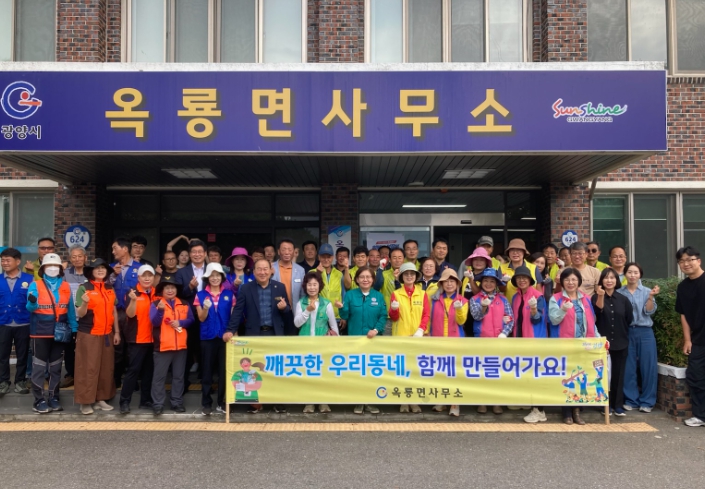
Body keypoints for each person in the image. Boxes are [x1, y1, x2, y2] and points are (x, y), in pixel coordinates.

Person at [224, 259, 291, 414]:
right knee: (254, 369)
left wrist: (284, 308)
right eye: (259, 269)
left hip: (274, 334)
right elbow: (238, 311)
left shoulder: (280, 287)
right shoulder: (246, 288)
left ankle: (277, 401)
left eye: (265, 269)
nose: (262, 272)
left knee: (275, 369)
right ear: (254, 272)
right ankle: (255, 403)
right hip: (254, 334)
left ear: (271, 270)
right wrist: (230, 330)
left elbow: (287, 311)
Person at [26, 253, 78, 414]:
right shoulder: (35, 285)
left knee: (56, 368)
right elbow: (30, 308)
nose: (52, 268)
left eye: (55, 266)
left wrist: (74, 328)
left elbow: (70, 309)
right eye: (49, 266)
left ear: (60, 269)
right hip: (40, 332)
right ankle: (39, 400)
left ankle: (54, 397)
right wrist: (32, 301)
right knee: (39, 368)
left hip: (60, 332)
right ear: (43, 269)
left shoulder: (66, 286)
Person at [548, 268, 600, 426]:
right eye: (567, 280)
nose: (570, 283)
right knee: (567, 378)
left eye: (574, 280)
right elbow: (554, 320)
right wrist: (563, 309)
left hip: (583, 345)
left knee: (581, 377)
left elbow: (591, 322)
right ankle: (566, 412)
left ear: (579, 282)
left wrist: (598, 338)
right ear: (562, 282)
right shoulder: (556, 298)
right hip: (565, 345)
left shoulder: (586, 298)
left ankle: (577, 411)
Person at [74, 258, 120, 415]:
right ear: (91, 272)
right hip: (89, 334)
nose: (100, 270)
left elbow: (113, 311)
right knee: (88, 368)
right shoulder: (84, 288)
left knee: (106, 368)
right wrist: (84, 303)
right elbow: (80, 313)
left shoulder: (109, 288)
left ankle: (101, 398)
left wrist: (117, 332)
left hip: (107, 333)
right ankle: (85, 402)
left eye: (103, 268)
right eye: (96, 268)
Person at [339, 266, 386, 415]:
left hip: (373, 340)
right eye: (362, 277)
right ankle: (358, 401)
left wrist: (376, 330)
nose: (365, 280)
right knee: (357, 371)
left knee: (372, 371)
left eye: (368, 277)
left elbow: (383, 316)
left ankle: (371, 401)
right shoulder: (350, 295)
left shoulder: (378, 296)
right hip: (355, 340)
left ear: (373, 280)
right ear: (357, 280)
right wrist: (341, 308)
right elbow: (345, 316)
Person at [469, 268, 512, 415]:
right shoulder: (475, 299)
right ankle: (482, 401)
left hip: (499, 342)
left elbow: (510, 319)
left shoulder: (503, 299)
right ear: (481, 283)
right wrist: (484, 307)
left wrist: (504, 333)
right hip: (481, 341)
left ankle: (496, 402)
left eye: (492, 281)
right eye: (486, 281)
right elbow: (476, 316)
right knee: (481, 372)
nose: (488, 284)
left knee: (497, 372)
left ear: (496, 283)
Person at [294, 271, 338, 414]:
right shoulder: (301, 303)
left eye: (315, 284)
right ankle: (309, 402)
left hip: (323, 345)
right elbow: (297, 323)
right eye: (309, 285)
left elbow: (333, 326)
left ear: (319, 286)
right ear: (305, 286)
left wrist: (334, 340)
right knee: (307, 373)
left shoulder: (326, 304)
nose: (312, 288)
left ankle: (323, 402)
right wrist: (307, 310)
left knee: (323, 373)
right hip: (305, 344)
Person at [618, 262, 659, 413]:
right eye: (629, 272)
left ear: (640, 274)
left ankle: (647, 401)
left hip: (645, 331)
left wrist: (651, 297)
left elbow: (649, 311)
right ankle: (631, 400)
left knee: (648, 367)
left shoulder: (647, 291)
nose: (632, 275)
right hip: (627, 331)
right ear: (625, 274)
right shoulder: (619, 293)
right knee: (628, 367)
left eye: (635, 272)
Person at [389, 262, 429, 414]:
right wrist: (394, 309)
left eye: (412, 274)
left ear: (416, 276)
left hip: (418, 338)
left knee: (416, 371)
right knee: (403, 371)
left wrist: (420, 330)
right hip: (401, 337)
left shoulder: (423, 294)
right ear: (402, 277)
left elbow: (426, 315)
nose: (409, 276)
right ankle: (403, 401)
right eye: (406, 274)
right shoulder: (396, 294)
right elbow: (393, 317)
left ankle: (414, 401)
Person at [150, 276, 194, 415]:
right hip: (163, 346)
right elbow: (154, 322)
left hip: (180, 346)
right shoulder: (156, 303)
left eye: (172, 287)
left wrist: (181, 323)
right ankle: (158, 404)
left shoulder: (184, 303)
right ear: (162, 291)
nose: (170, 290)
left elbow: (191, 320)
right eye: (167, 288)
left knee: (178, 377)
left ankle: (177, 402)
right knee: (159, 377)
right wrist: (160, 311)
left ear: (176, 290)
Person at [195, 263, 234, 416]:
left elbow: (233, 318)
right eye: (212, 276)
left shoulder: (230, 294)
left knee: (224, 371)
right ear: (207, 278)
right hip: (207, 337)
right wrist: (205, 307)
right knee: (207, 371)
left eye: (218, 275)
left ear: (222, 277)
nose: (215, 278)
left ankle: (222, 402)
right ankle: (206, 403)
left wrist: (233, 333)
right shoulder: (200, 295)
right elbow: (201, 318)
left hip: (225, 337)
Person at [592, 268, 632, 416]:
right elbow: (597, 312)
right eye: (606, 278)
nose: (609, 281)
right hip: (601, 344)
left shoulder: (623, 299)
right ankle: (604, 404)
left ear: (617, 280)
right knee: (602, 375)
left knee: (618, 374)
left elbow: (629, 319)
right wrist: (601, 295)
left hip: (621, 342)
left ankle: (617, 405)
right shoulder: (595, 297)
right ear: (601, 280)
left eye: (612, 278)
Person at [428, 268, 467, 417]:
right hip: (437, 341)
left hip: (456, 342)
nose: (449, 284)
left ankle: (455, 403)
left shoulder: (463, 301)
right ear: (441, 284)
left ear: (457, 284)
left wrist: (459, 310)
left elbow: (461, 321)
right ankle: (442, 400)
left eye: (452, 281)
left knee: (454, 373)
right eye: (446, 281)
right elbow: (429, 318)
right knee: (440, 371)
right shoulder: (434, 300)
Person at [120, 264, 159, 414]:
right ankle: (124, 401)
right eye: (144, 275)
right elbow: (130, 314)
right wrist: (133, 301)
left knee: (149, 372)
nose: (147, 278)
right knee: (133, 371)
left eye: (150, 275)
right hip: (137, 339)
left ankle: (145, 400)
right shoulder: (132, 293)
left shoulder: (157, 293)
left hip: (153, 339)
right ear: (139, 277)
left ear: (154, 277)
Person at [675, 246, 705, 427]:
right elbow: (683, 314)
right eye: (682, 261)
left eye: (689, 259)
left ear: (698, 261)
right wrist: (687, 340)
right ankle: (700, 415)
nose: (686, 264)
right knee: (696, 376)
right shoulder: (683, 287)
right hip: (698, 339)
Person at [0, 248, 33, 396]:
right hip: (3, 322)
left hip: (24, 322)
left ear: (17, 261)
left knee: (23, 354)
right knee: (2, 355)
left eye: (8, 260)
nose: (4, 263)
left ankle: (20, 381)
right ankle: (3, 382)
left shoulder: (29, 279)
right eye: (2, 260)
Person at [110, 236, 141, 388]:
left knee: (132, 347)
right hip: (115, 312)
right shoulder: (110, 268)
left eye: (115, 248)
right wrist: (113, 275)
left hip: (132, 312)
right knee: (117, 347)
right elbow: (103, 286)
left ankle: (131, 380)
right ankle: (116, 379)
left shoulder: (139, 268)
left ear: (125, 249)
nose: (113, 251)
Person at [175, 240, 208, 383]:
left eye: (200, 252)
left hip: (208, 314)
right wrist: (189, 287)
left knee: (206, 347)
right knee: (187, 347)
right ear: (189, 254)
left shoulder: (212, 270)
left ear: (205, 254)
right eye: (194, 252)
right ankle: (184, 382)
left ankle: (205, 380)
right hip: (188, 315)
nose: (197, 254)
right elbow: (177, 294)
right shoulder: (182, 272)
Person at [61, 245, 88, 388]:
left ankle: (85, 375)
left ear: (85, 258)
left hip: (87, 317)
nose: (77, 259)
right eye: (74, 257)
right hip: (69, 318)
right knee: (69, 348)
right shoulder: (65, 273)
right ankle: (71, 374)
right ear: (70, 259)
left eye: (80, 256)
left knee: (86, 348)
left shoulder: (91, 273)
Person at [272, 239, 305, 336]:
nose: (287, 252)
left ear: (294, 252)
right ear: (279, 251)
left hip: (293, 312)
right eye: (284, 249)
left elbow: (302, 294)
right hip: (274, 310)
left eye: (290, 250)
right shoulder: (270, 268)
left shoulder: (300, 270)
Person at [373, 248, 405, 335]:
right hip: (387, 316)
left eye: (400, 257)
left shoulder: (408, 275)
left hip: (404, 316)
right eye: (394, 257)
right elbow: (376, 288)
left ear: (404, 259)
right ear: (390, 260)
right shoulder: (383, 274)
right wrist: (380, 268)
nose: (397, 260)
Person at [499, 238, 540, 303]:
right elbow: (501, 290)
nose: (515, 253)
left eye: (518, 250)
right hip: (508, 306)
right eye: (512, 250)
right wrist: (504, 282)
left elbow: (539, 292)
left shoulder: (534, 268)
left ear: (524, 252)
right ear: (508, 253)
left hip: (530, 306)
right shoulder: (501, 268)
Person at [316, 244, 344, 327]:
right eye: (323, 257)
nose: (326, 260)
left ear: (333, 258)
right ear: (319, 257)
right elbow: (310, 292)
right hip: (318, 316)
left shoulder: (339, 274)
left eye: (328, 257)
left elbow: (343, 295)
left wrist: (343, 315)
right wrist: (318, 274)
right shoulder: (312, 273)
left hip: (336, 317)